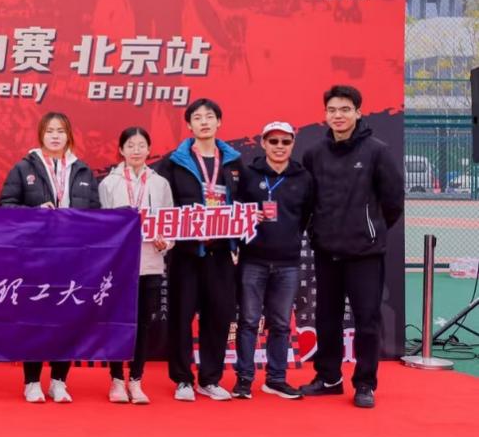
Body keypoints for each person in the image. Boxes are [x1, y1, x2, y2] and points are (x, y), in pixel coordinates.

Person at [300, 85, 403, 409]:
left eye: (345, 109)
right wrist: (317, 232)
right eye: (332, 110)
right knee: (326, 319)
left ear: (358, 112)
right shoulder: (313, 154)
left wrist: (370, 231)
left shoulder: (377, 152)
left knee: (366, 320)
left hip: (364, 254)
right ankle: (328, 378)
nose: (338, 116)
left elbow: (393, 202)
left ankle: (365, 384)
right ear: (325, 115)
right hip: (326, 251)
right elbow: (307, 202)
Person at [0, 111, 100, 403]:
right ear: (41, 134)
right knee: (34, 319)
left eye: (61, 131)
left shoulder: (82, 171)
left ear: (69, 135)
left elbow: (97, 214)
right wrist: (34, 214)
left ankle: (59, 381)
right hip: (35, 257)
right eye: (50, 131)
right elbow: (6, 207)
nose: (55, 136)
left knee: (68, 319)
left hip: (72, 258)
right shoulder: (24, 167)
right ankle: (31, 381)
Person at [154, 98, 242, 402]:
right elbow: (161, 202)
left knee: (218, 315)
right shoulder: (173, 162)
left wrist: (243, 232)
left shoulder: (233, 162)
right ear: (189, 125)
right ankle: (182, 380)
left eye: (209, 117)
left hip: (221, 252)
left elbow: (244, 202)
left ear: (219, 122)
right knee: (181, 315)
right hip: (186, 253)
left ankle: (210, 379)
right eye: (197, 118)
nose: (204, 122)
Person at [232, 122, 315, 401]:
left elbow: (305, 216)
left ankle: (276, 379)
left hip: (288, 262)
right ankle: (244, 379)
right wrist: (247, 216)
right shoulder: (248, 174)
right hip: (252, 260)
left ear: (293, 144)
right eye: (274, 141)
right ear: (263, 143)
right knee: (248, 321)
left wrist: (288, 237)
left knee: (280, 323)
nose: (279, 146)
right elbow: (235, 209)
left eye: (285, 142)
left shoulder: (303, 177)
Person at [97, 126, 174, 405]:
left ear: (149, 149)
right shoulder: (109, 184)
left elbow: (170, 223)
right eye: (130, 145)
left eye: (141, 145)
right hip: (119, 266)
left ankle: (137, 379)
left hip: (150, 263)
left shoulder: (160, 183)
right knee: (118, 322)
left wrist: (166, 243)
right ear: (121, 150)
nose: (136, 150)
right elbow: (102, 225)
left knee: (143, 324)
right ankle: (117, 380)